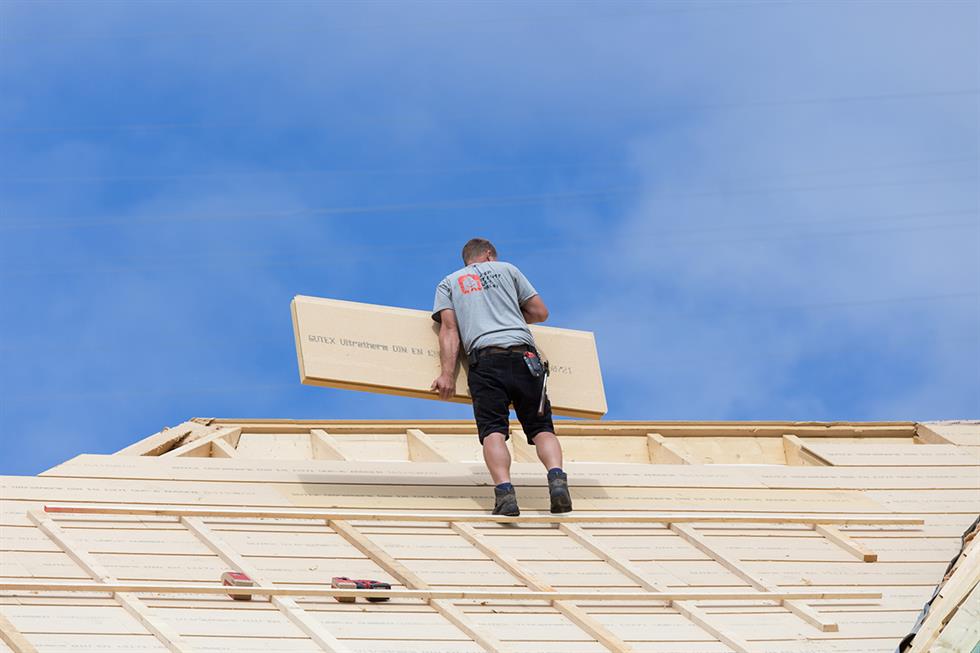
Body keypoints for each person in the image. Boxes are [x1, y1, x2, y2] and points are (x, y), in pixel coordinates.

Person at [430, 238, 571, 516]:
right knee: (541, 426)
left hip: (486, 362)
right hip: (525, 359)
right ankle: (556, 480)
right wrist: (508, 313)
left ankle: (505, 494)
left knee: (493, 430)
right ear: (489, 255)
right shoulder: (508, 270)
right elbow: (540, 313)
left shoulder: (449, 282)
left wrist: (447, 374)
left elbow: (449, 330)